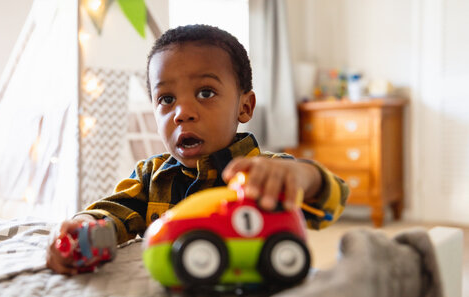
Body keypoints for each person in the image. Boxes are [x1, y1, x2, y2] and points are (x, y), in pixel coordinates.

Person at [46, 24, 349, 275]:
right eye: (166, 99)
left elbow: (332, 200)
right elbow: (109, 214)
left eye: (205, 92)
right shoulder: (150, 178)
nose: (182, 113)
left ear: (244, 106)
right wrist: (81, 230)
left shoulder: (264, 172)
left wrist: (301, 176)